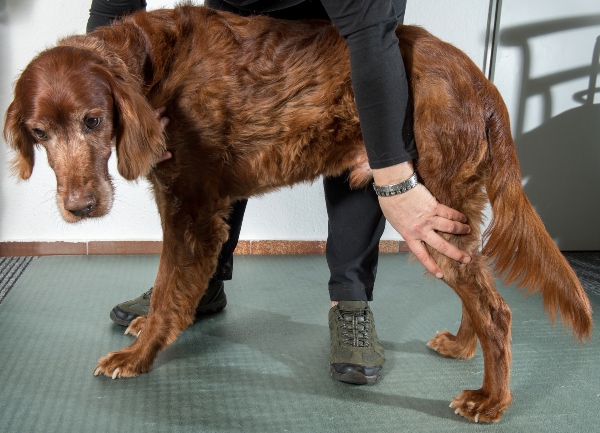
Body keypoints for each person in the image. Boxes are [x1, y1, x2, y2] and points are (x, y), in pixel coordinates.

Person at [87, 0, 471, 385]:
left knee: (357, 129)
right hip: (238, 10)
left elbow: (370, 35)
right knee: (207, 142)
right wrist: (92, 90)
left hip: (355, 20)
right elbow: (115, 7)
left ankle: (350, 300)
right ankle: (200, 285)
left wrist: (396, 181)